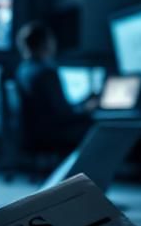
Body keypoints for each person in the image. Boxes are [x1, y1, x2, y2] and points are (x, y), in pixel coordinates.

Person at [13, 22, 91, 151]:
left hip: (33, 136)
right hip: (51, 136)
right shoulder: (46, 72)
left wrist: (81, 105)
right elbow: (63, 115)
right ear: (46, 43)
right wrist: (86, 110)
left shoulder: (22, 71)